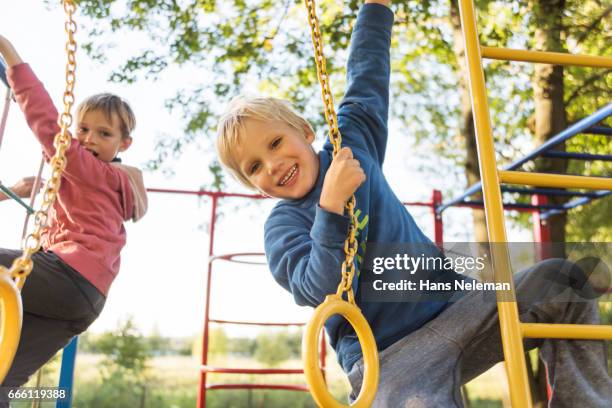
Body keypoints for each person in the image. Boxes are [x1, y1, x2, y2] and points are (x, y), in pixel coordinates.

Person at [216, 1, 611, 406]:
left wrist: (376, 8)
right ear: (256, 188)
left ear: (304, 129)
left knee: (566, 282)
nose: (273, 164)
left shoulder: (350, 144)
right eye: (255, 167)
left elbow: (367, 76)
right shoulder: (282, 227)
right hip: (391, 356)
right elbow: (318, 287)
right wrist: (330, 209)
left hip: (460, 311)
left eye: (276, 142)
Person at [0, 35, 148, 396]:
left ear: (123, 144)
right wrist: (31, 186)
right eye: (82, 130)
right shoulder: (107, 181)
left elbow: (48, 125)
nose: (89, 139)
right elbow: (80, 196)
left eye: (104, 133)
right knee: (3, 381)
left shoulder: (94, 170)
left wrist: (9, 50)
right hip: (81, 303)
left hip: (69, 276)